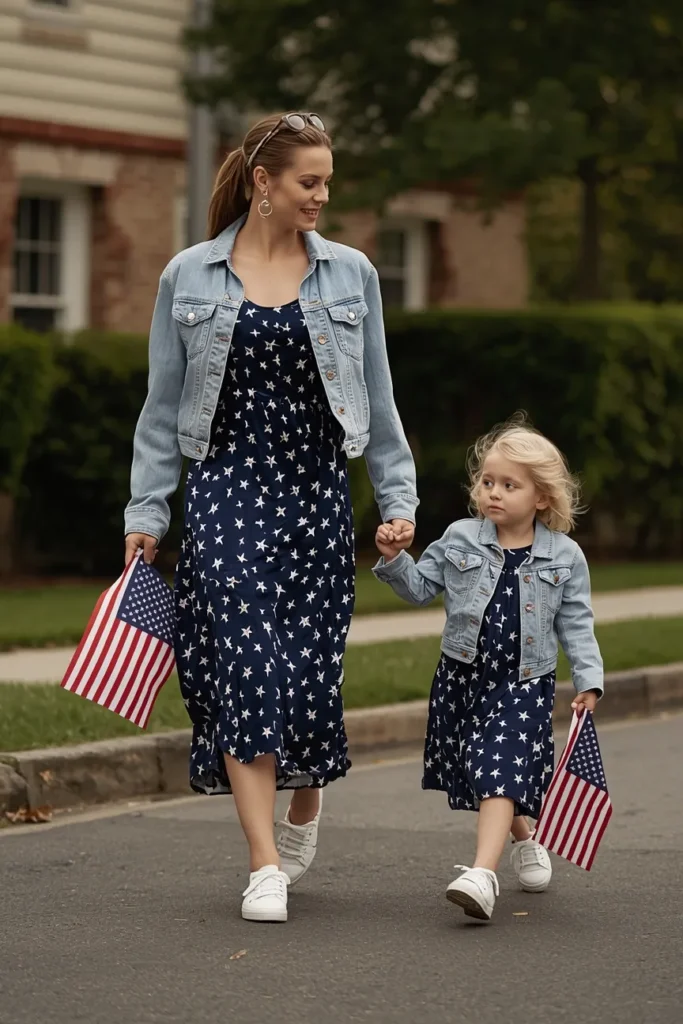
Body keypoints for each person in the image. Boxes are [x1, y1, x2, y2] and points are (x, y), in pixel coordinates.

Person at [124, 112, 417, 923]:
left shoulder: (351, 274)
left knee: (307, 676)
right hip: (225, 495)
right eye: (308, 181)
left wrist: (396, 502)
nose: (322, 195)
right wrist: (147, 510)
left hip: (317, 496)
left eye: (327, 181)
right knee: (244, 667)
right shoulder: (187, 275)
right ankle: (262, 865)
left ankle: (304, 802)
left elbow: (380, 402)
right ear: (263, 182)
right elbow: (160, 409)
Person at [373, 417, 603, 921]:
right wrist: (395, 559)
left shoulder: (564, 556)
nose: (493, 493)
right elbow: (418, 589)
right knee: (482, 772)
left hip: (524, 682)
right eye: (487, 482)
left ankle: (481, 874)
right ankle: (526, 837)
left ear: (541, 497)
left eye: (509, 485)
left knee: (499, 764)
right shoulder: (461, 538)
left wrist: (588, 680)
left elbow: (577, 623)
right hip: (463, 677)